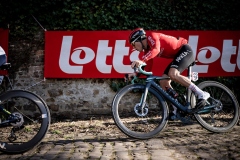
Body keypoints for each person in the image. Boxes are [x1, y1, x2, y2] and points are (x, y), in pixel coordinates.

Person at [125, 28, 210, 117]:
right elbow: (147, 69)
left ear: (139, 39)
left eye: (133, 44)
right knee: (163, 82)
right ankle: (176, 109)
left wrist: (141, 60)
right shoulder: (147, 51)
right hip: (178, 55)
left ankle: (202, 94)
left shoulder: (151, 36)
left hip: (185, 50)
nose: (133, 48)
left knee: (173, 74)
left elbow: (156, 50)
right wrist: (134, 74)